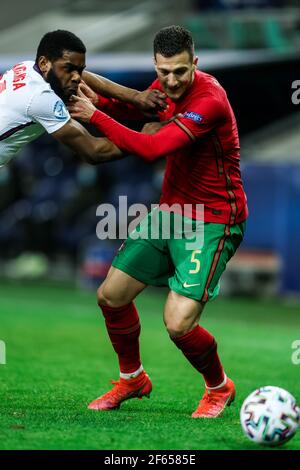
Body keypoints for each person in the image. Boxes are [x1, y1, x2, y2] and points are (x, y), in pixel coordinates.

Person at [69, 25, 248, 418]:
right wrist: (97, 98)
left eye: (180, 72)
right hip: (170, 213)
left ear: (194, 64)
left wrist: (94, 113)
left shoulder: (210, 100)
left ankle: (219, 388)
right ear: (156, 63)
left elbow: (152, 147)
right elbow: (138, 111)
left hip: (214, 220)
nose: (170, 81)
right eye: (163, 72)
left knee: (179, 323)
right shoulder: (166, 85)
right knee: (110, 297)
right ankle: (132, 378)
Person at [0, 30, 166, 168]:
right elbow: (94, 152)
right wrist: (142, 138)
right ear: (44, 63)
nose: (76, 78)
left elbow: (83, 76)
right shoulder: (41, 98)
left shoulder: (28, 67)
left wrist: (135, 96)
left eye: (79, 70)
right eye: (69, 68)